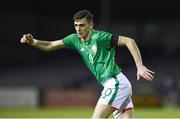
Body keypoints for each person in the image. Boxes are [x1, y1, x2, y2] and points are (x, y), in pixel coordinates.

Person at [20, 9, 155, 119]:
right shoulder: (74, 39)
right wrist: (33, 42)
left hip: (116, 83)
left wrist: (140, 66)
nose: (78, 29)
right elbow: (50, 45)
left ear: (91, 25)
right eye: (76, 25)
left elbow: (129, 41)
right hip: (117, 83)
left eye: (82, 25)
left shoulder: (100, 37)